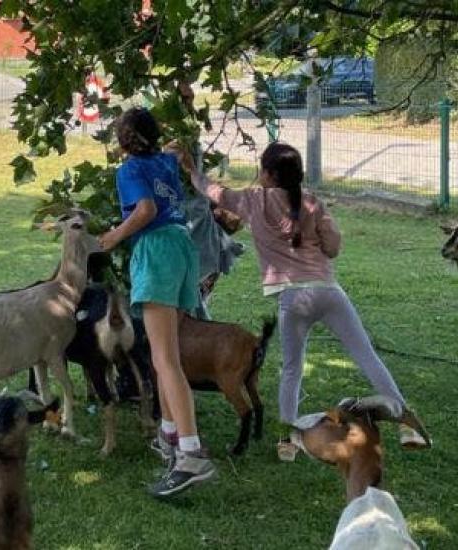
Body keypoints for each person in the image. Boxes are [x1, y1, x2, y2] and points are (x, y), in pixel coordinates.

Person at [177, 141, 429, 461]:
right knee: (367, 356)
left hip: (292, 299)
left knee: (292, 368)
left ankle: (287, 440)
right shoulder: (313, 202)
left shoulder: (254, 200)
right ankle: (406, 420)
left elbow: (213, 191)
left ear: (267, 174)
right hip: (329, 291)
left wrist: (190, 169)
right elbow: (334, 247)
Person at [99, 108, 216, 498]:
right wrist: (171, 151)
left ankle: (191, 453)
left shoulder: (129, 171)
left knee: (165, 360)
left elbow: (145, 210)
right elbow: (177, 152)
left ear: (122, 142)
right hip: (183, 247)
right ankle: (169, 434)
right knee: (165, 356)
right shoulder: (164, 161)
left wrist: (113, 238)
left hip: (157, 251)